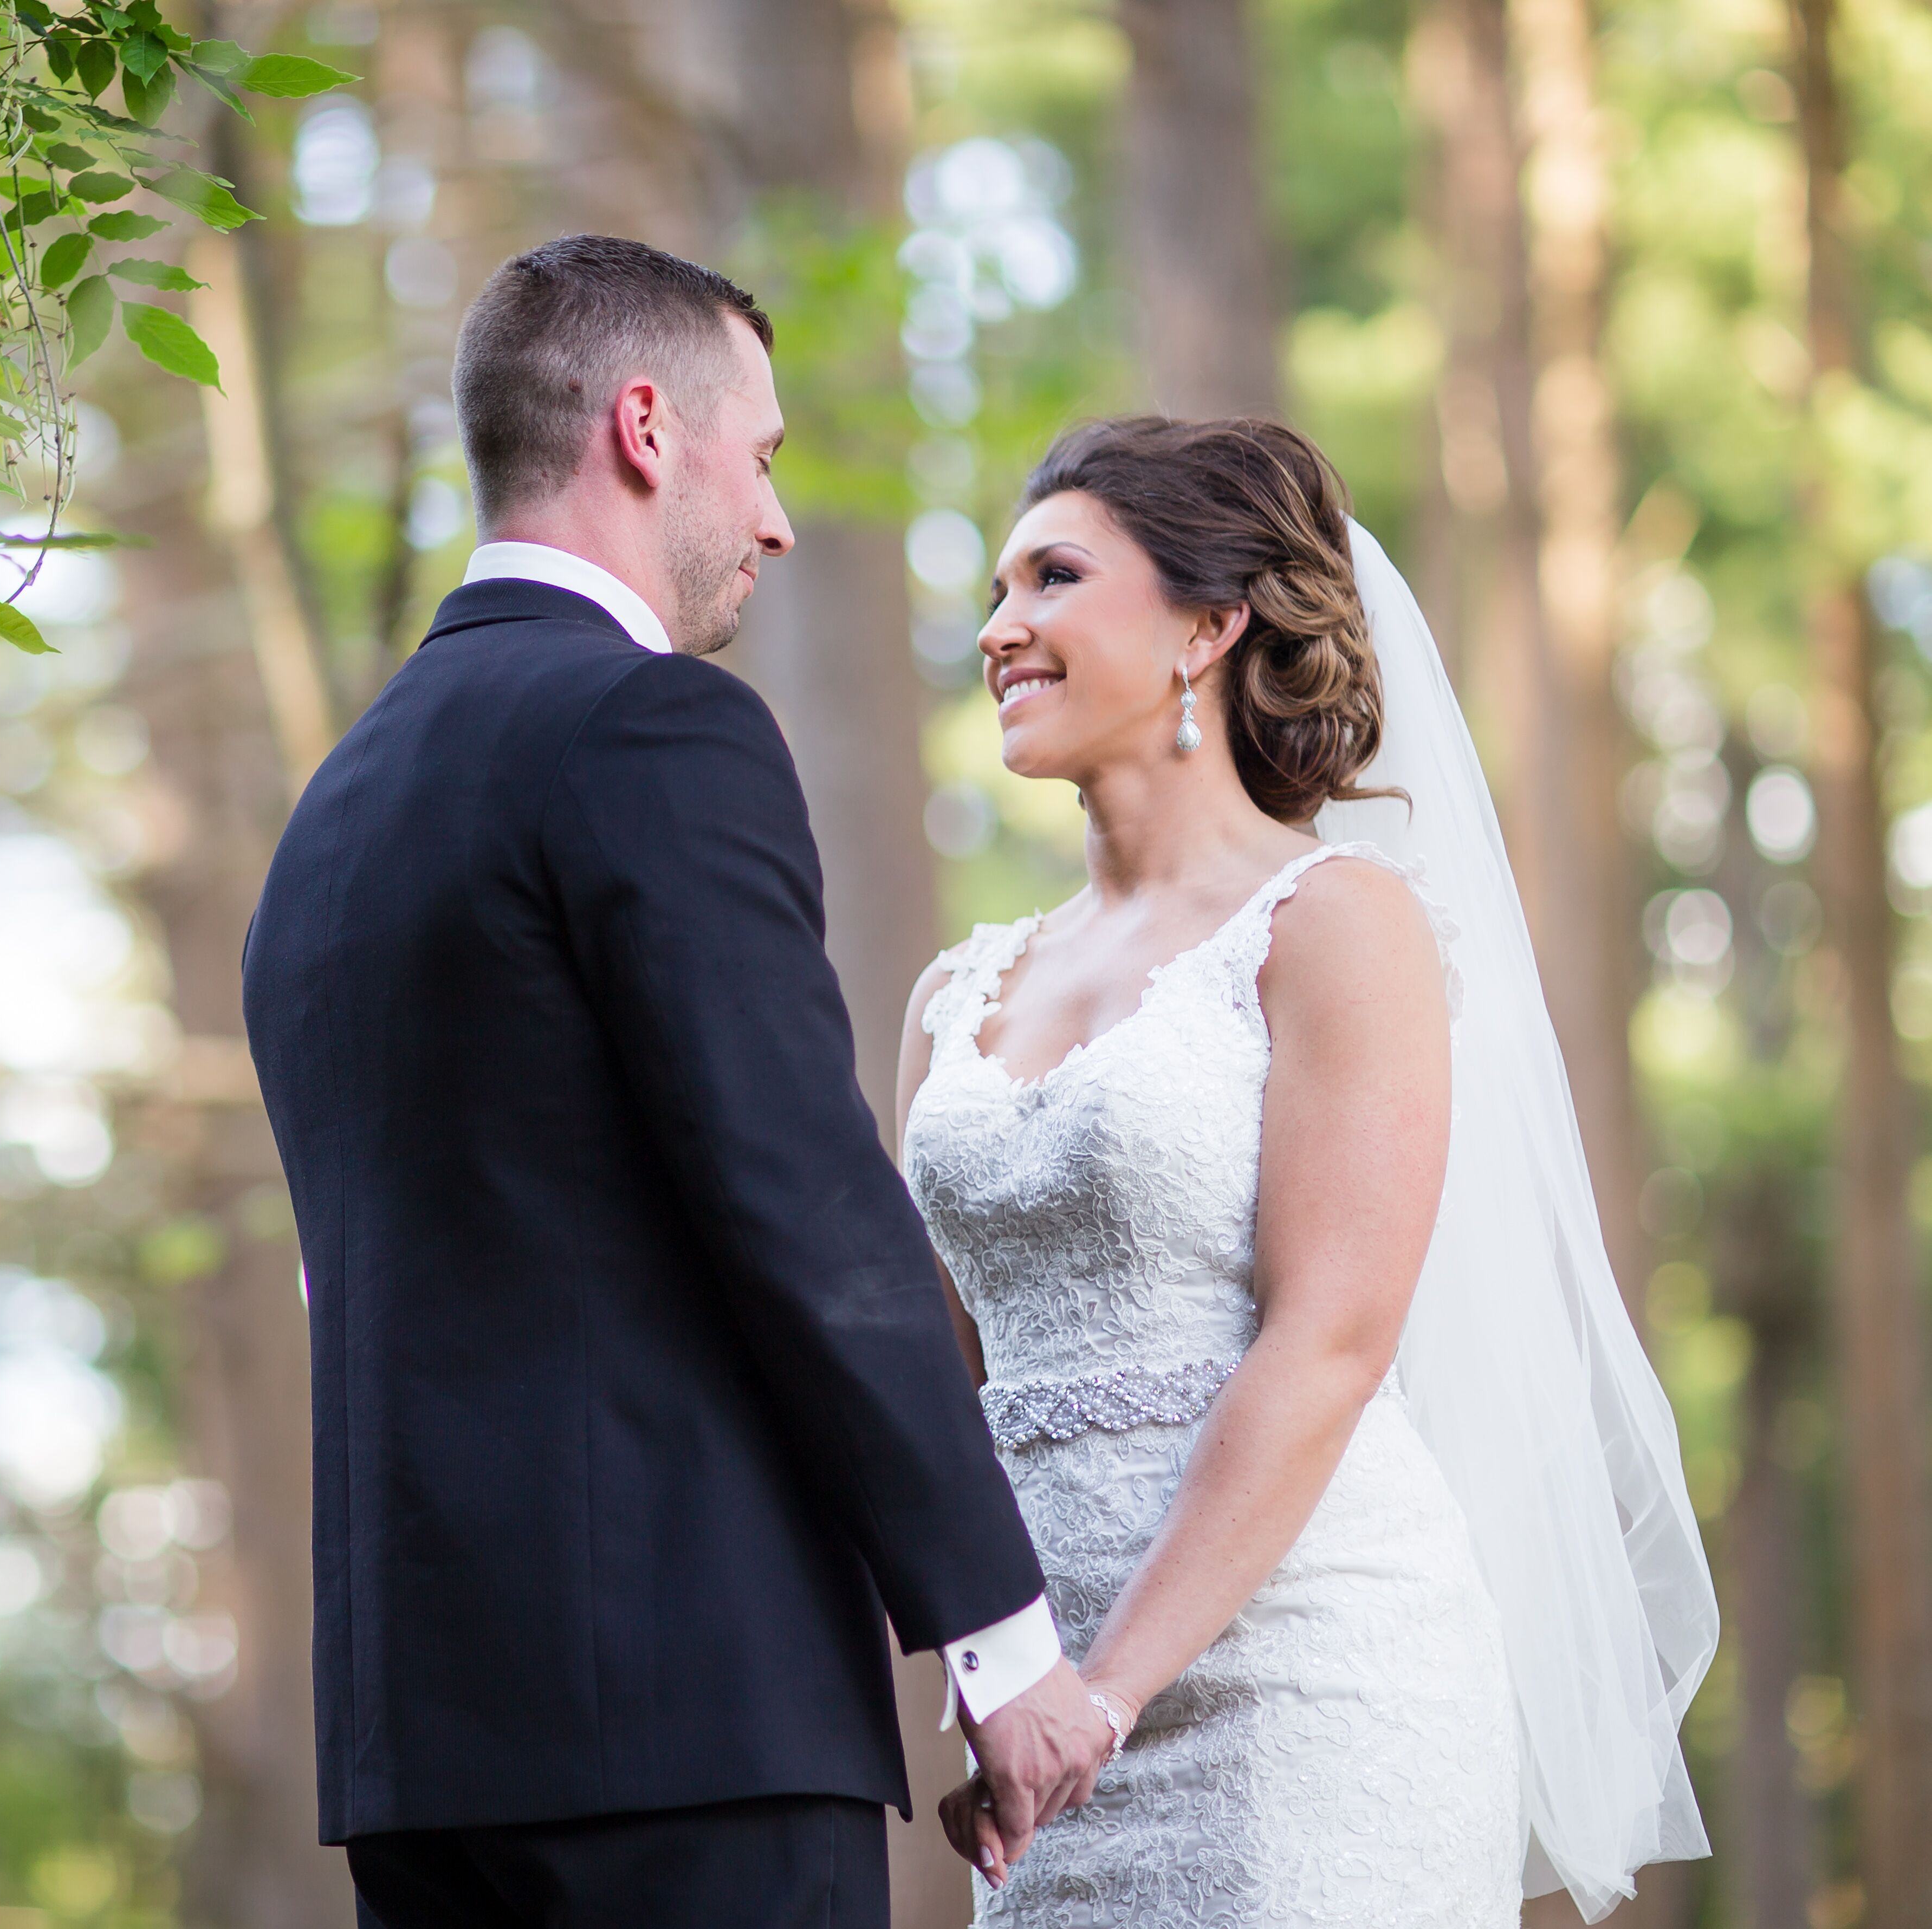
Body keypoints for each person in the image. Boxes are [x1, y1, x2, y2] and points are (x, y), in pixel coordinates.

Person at [241, 234, 1111, 1929]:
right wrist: (1000, 1640)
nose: (778, 519)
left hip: (420, 1757)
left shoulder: (334, 819)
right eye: (766, 454)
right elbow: (800, 1198)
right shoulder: (652, 731)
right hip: (681, 1726)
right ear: (648, 427)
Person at [897, 415, 1715, 1924]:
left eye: (1054, 577)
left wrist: (1109, 1690)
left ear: (1212, 623)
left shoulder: (1337, 924)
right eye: (1001, 590)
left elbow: (1332, 1339)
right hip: (1043, 1732)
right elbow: (936, 1390)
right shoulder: (959, 1000)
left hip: (1307, 1684)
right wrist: (1006, 1676)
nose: (999, 627)